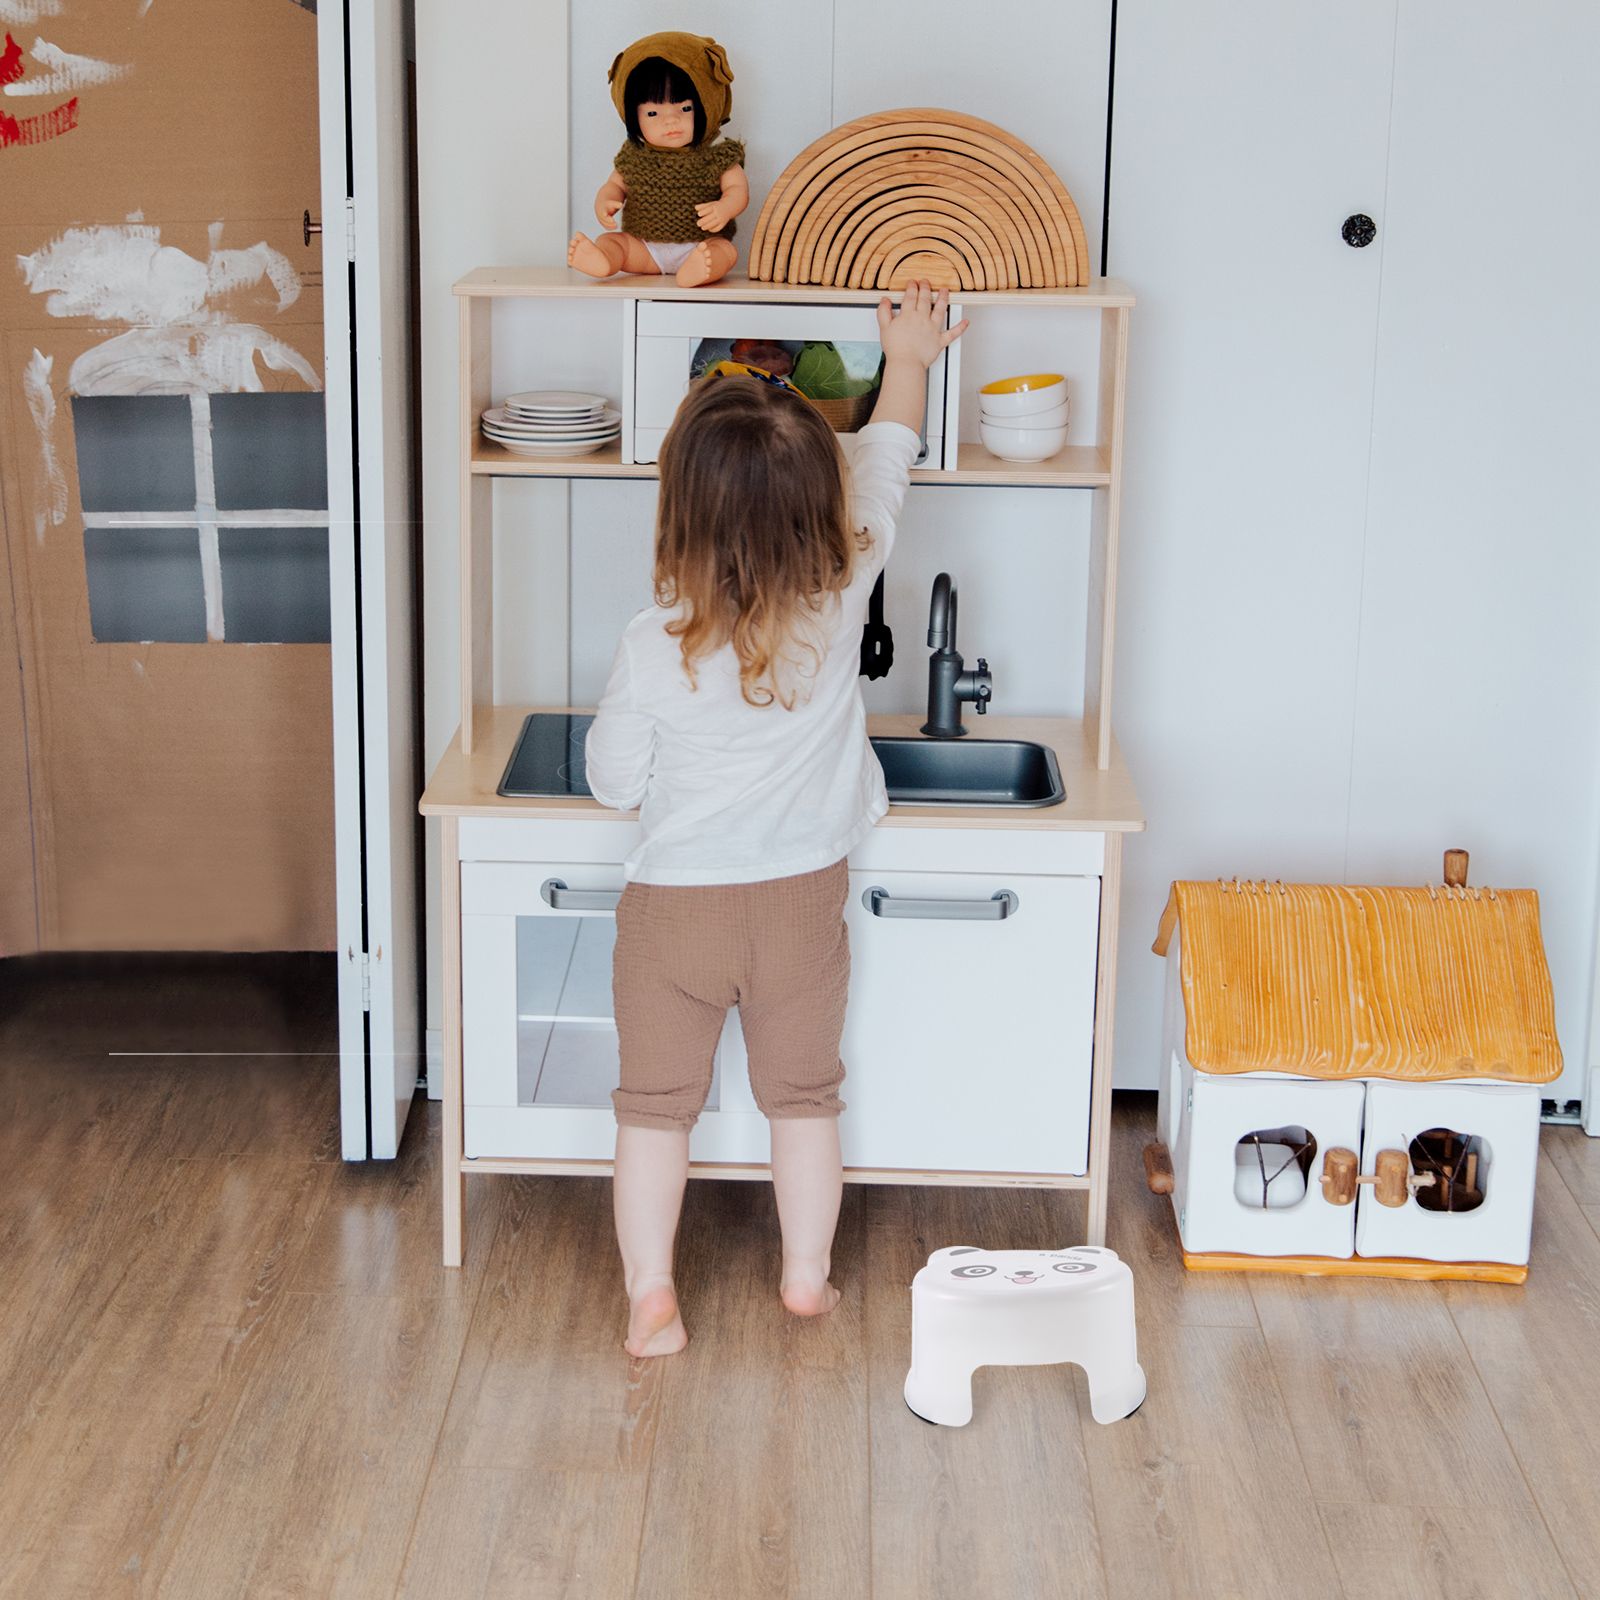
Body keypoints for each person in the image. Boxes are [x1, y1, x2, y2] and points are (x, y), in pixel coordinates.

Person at [585, 282, 969, 1356]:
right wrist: (910, 356)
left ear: (679, 508)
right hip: (801, 902)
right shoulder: (841, 592)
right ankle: (804, 1280)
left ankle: (651, 1298)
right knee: (805, 1101)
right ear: (820, 507)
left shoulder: (653, 639)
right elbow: (886, 460)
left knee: (653, 1108)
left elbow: (614, 782)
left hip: (674, 915)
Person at [568, 32, 747, 289]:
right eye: (653, 113)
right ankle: (604, 259)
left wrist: (726, 208)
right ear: (632, 117)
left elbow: (738, 189)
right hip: (644, 249)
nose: (670, 120)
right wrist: (605, 200)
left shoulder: (718, 156)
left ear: (708, 104)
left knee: (726, 251)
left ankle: (699, 270)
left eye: (685, 108)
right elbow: (615, 185)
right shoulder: (633, 157)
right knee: (613, 242)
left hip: (700, 244)